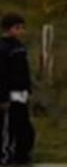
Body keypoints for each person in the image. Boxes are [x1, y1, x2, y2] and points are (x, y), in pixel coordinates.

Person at [0, 13, 35, 166]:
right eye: (17, 28)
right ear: (8, 29)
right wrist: (3, 97)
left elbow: (24, 71)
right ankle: (6, 158)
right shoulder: (3, 48)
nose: (21, 31)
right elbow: (1, 75)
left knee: (24, 127)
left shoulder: (19, 47)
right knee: (9, 128)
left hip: (21, 93)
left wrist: (28, 89)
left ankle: (22, 156)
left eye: (22, 28)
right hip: (9, 94)